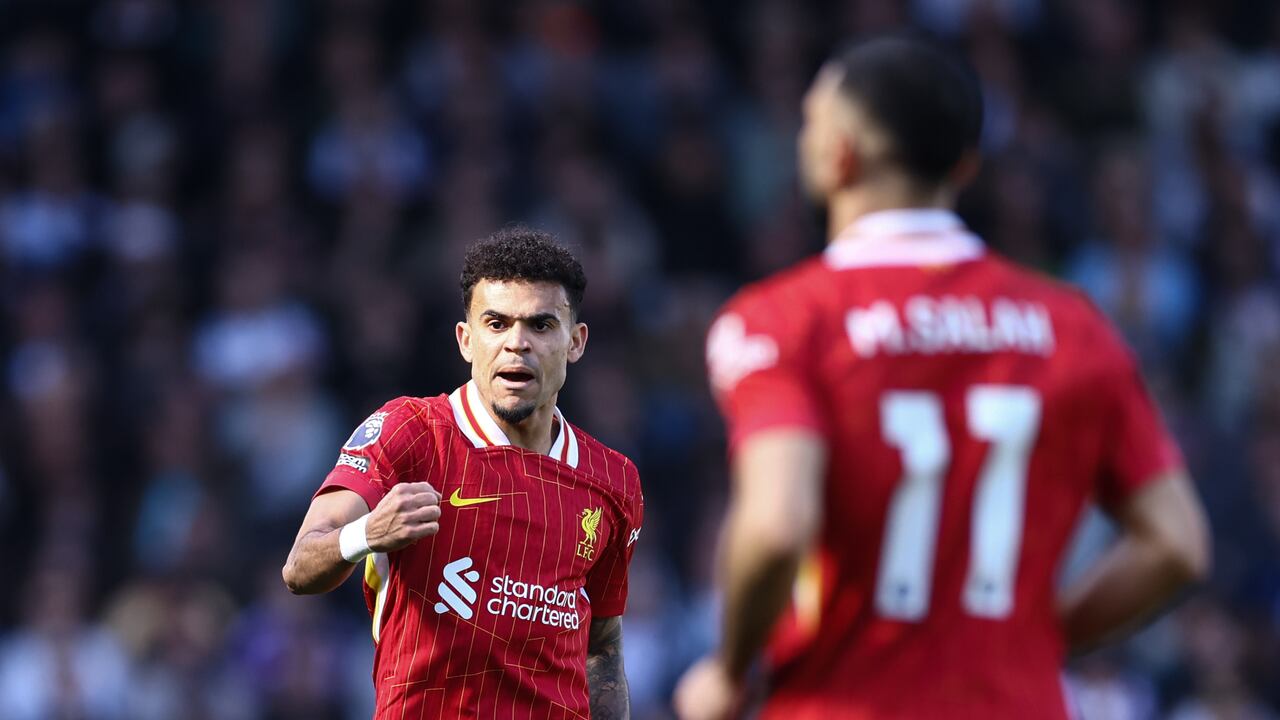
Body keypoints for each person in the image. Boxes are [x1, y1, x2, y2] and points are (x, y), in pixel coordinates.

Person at [674, 36, 1210, 719]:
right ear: (964, 165)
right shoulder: (1073, 327)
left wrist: (729, 668)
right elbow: (1177, 545)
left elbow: (778, 524)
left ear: (839, 154)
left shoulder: (785, 319)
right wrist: (1035, 641)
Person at [282, 227, 643, 719]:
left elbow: (602, 643)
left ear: (575, 342)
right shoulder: (409, 432)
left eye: (540, 325)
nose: (517, 344)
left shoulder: (613, 480)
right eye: (496, 324)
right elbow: (300, 568)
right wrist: (367, 533)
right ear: (465, 340)